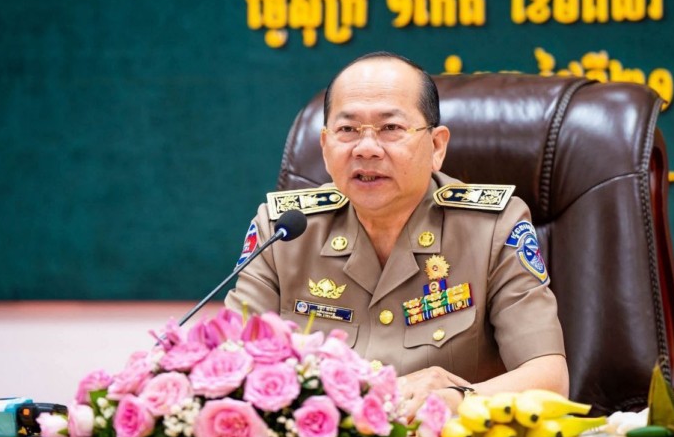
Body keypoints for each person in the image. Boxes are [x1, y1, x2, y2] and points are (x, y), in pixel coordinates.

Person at [225, 51, 568, 418]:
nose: (366, 148)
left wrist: (459, 398)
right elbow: (228, 362)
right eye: (347, 130)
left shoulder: (493, 228)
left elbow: (550, 380)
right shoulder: (283, 232)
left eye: (390, 128)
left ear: (436, 146)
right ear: (325, 148)